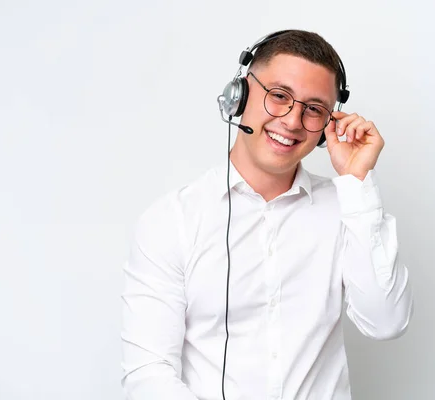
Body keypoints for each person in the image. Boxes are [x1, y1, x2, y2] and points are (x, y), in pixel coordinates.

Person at [121, 29, 414, 400]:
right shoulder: (171, 221)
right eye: (279, 97)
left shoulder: (348, 209)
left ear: (328, 125)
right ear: (239, 94)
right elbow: (149, 374)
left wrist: (357, 182)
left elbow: (386, 322)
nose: (292, 121)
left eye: (314, 109)